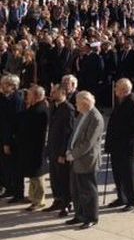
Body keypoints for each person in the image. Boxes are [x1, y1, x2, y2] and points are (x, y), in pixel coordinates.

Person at [65, 91, 104, 229]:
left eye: (77, 103)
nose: (75, 105)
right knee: (76, 190)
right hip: (75, 157)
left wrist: (73, 154)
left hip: (87, 160)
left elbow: (88, 143)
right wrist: (69, 149)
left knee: (88, 191)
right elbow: (74, 134)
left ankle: (91, 217)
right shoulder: (82, 113)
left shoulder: (96, 118)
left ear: (85, 103)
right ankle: (79, 215)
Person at [104, 78, 134, 212]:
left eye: (117, 88)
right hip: (116, 145)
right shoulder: (121, 100)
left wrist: (124, 134)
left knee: (128, 174)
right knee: (118, 173)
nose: (114, 90)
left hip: (126, 146)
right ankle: (121, 197)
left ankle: (132, 200)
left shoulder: (132, 103)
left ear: (123, 90)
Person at [16, 85, 50, 211]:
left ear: (36, 96)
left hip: (37, 148)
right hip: (29, 147)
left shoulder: (40, 110)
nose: (27, 97)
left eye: (30, 95)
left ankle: (39, 200)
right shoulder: (33, 108)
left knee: (37, 175)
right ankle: (33, 198)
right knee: (32, 175)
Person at [44, 85, 75, 217]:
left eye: (54, 92)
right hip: (52, 148)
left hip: (60, 151)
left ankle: (67, 203)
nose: (51, 94)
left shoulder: (68, 109)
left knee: (63, 178)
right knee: (54, 178)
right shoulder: (53, 106)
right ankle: (57, 200)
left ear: (62, 93)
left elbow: (68, 133)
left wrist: (63, 153)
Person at [0, 74, 26, 202]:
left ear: (13, 86)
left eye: (5, 84)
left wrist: (7, 142)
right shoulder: (5, 98)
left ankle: (18, 193)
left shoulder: (16, 100)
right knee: (6, 166)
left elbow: (12, 123)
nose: (2, 87)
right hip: (4, 136)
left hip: (12, 139)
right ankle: (9, 188)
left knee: (15, 167)